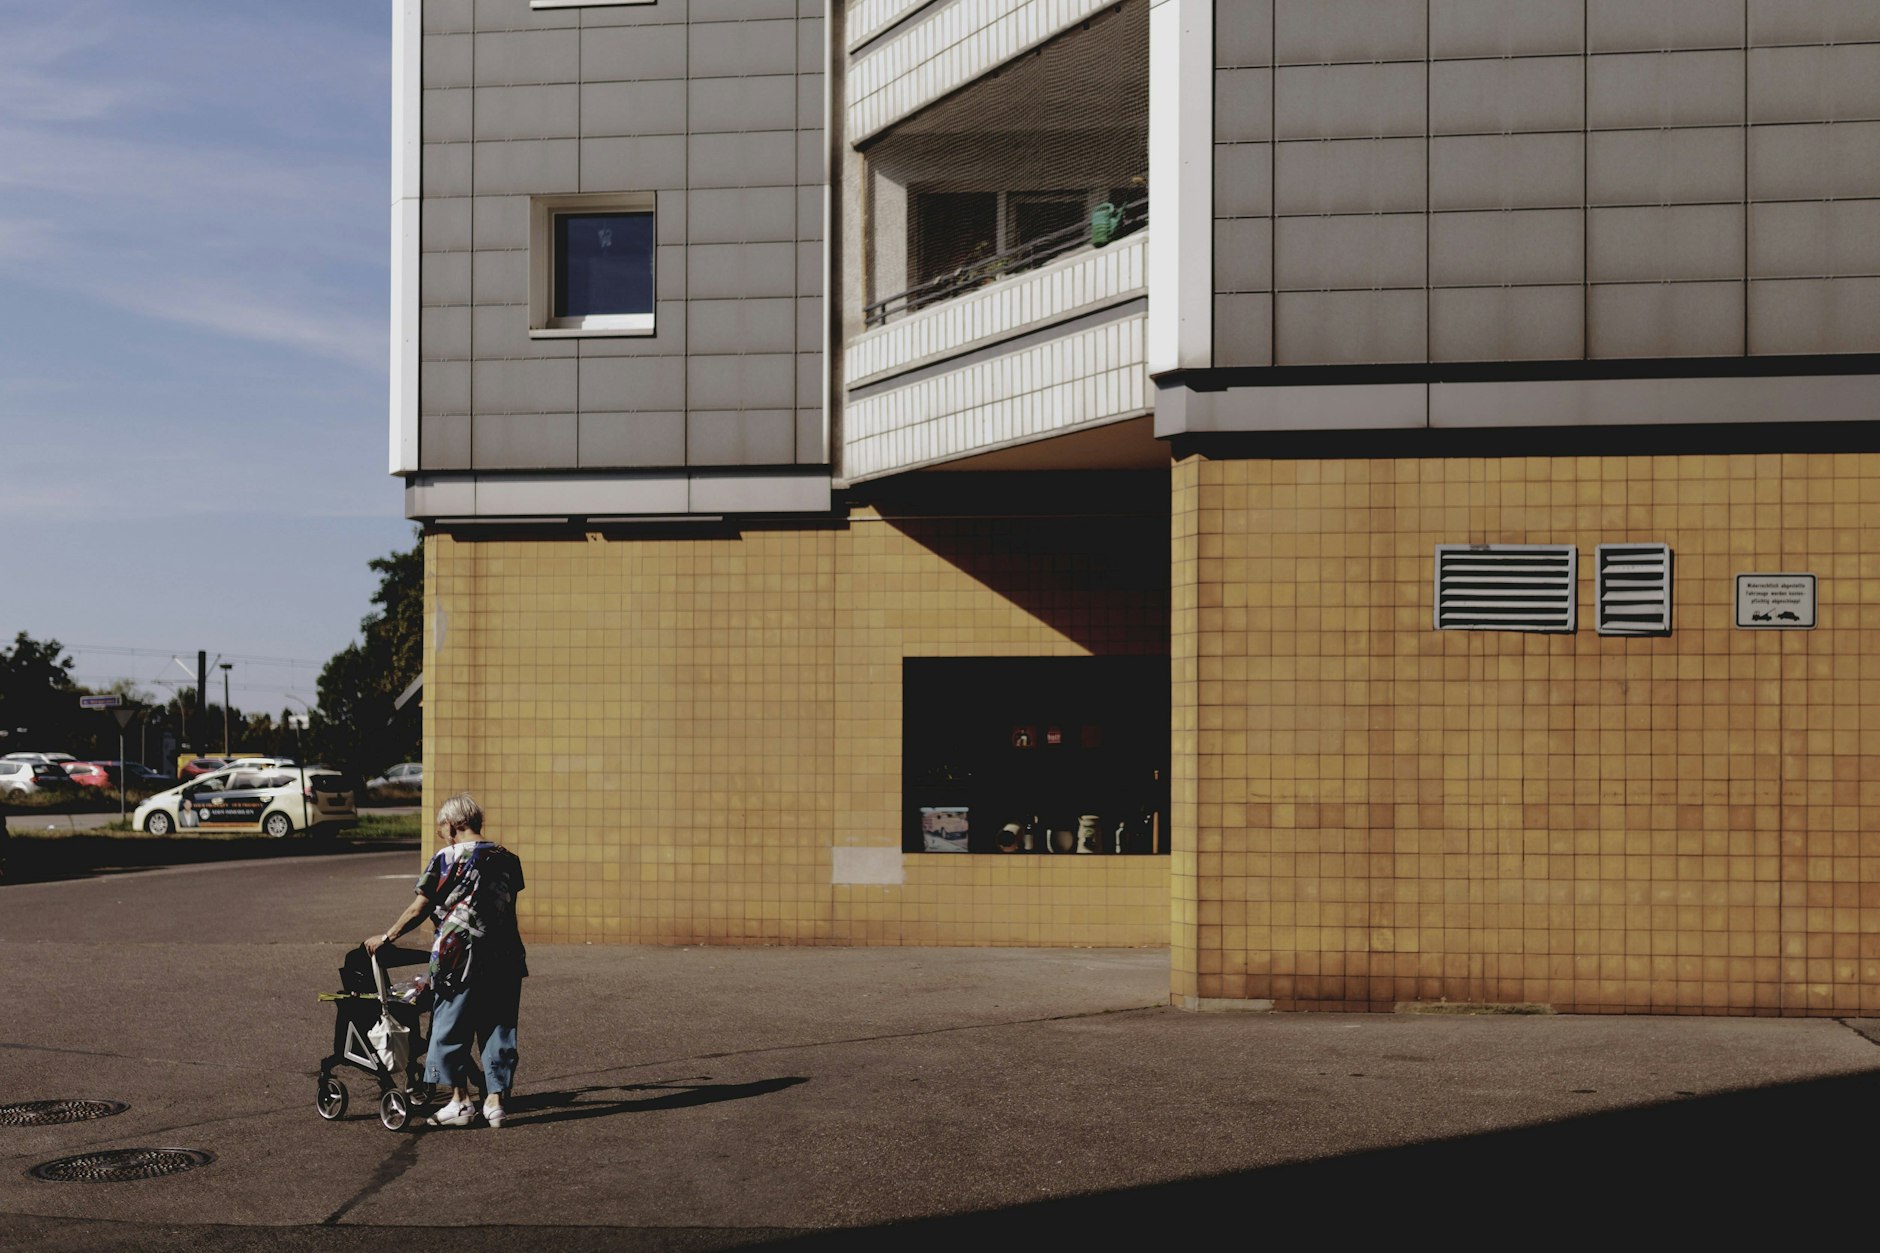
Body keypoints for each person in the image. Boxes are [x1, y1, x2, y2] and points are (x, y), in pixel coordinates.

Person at [366, 791, 526, 1128]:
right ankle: (495, 1103)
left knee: (451, 1026)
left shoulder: (447, 858)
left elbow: (420, 907)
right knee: (499, 1024)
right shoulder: (508, 858)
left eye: (442, 828)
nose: (442, 834)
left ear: (454, 824)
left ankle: (460, 1101)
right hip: (505, 954)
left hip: (458, 957)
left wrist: (388, 936)